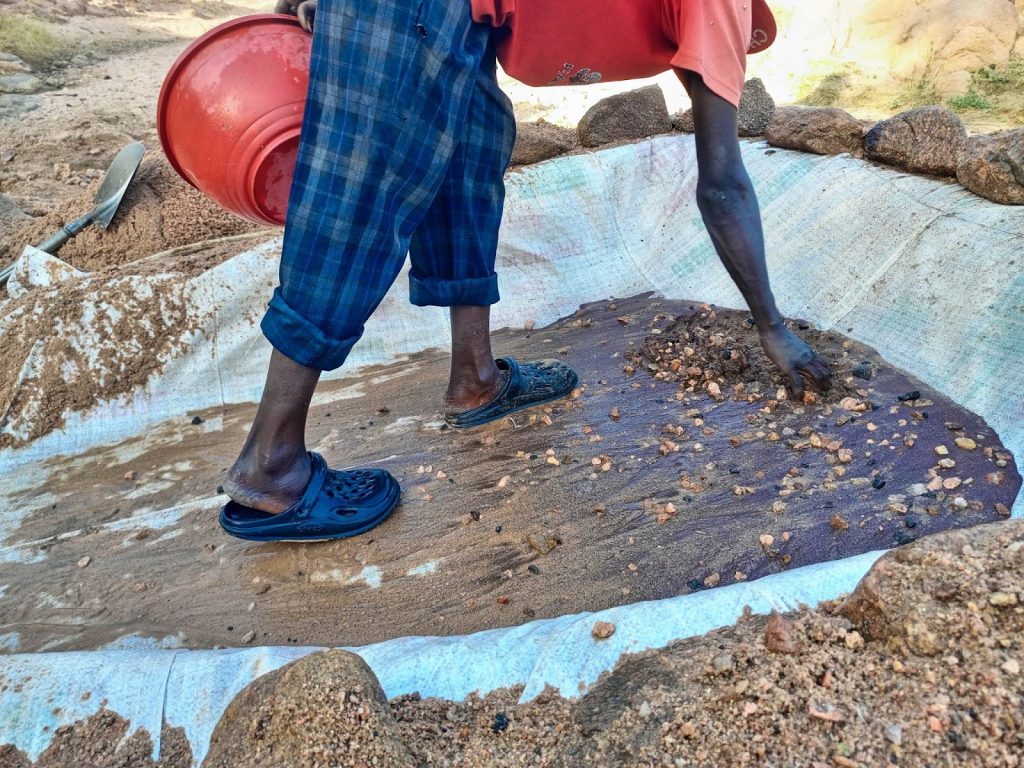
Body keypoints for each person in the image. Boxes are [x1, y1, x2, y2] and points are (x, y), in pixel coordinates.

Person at [220, 0, 831, 543]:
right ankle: (271, 466)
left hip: (462, 16)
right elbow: (723, 186)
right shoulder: (720, 8)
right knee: (361, 193)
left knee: (470, 158)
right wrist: (771, 325)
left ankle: (475, 378)